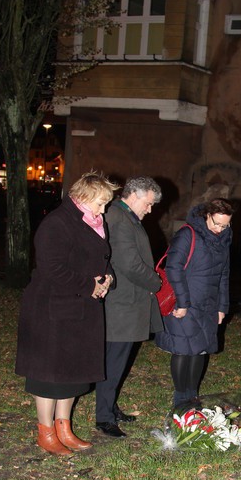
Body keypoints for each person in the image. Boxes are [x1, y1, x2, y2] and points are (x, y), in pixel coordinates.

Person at [15, 172, 117, 456]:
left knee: (73, 372)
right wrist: (89, 286)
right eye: (100, 203)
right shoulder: (57, 223)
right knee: (49, 375)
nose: (103, 210)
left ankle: (64, 429)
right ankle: (46, 432)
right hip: (53, 310)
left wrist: (108, 278)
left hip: (81, 310)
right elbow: (52, 268)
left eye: (105, 204)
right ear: (83, 196)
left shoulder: (93, 222)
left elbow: (101, 258)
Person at [95, 176, 163, 437]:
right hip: (121, 305)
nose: (150, 209)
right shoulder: (119, 218)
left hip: (127, 304)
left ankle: (110, 408)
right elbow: (129, 264)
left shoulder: (125, 217)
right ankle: (104, 418)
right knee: (113, 363)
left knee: (118, 361)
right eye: (148, 203)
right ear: (134, 195)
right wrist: (156, 282)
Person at [155, 198, 234, 409]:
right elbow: (173, 269)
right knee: (183, 349)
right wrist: (182, 302)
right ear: (207, 215)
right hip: (185, 303)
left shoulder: (224, 238)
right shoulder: (187, 234)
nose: (219, 229)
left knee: (199, 349)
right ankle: (180, 398)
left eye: (225, 225)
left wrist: (222, 307)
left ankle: (192, 396)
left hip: (208, 305)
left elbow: (223, 275)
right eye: (216, 223)